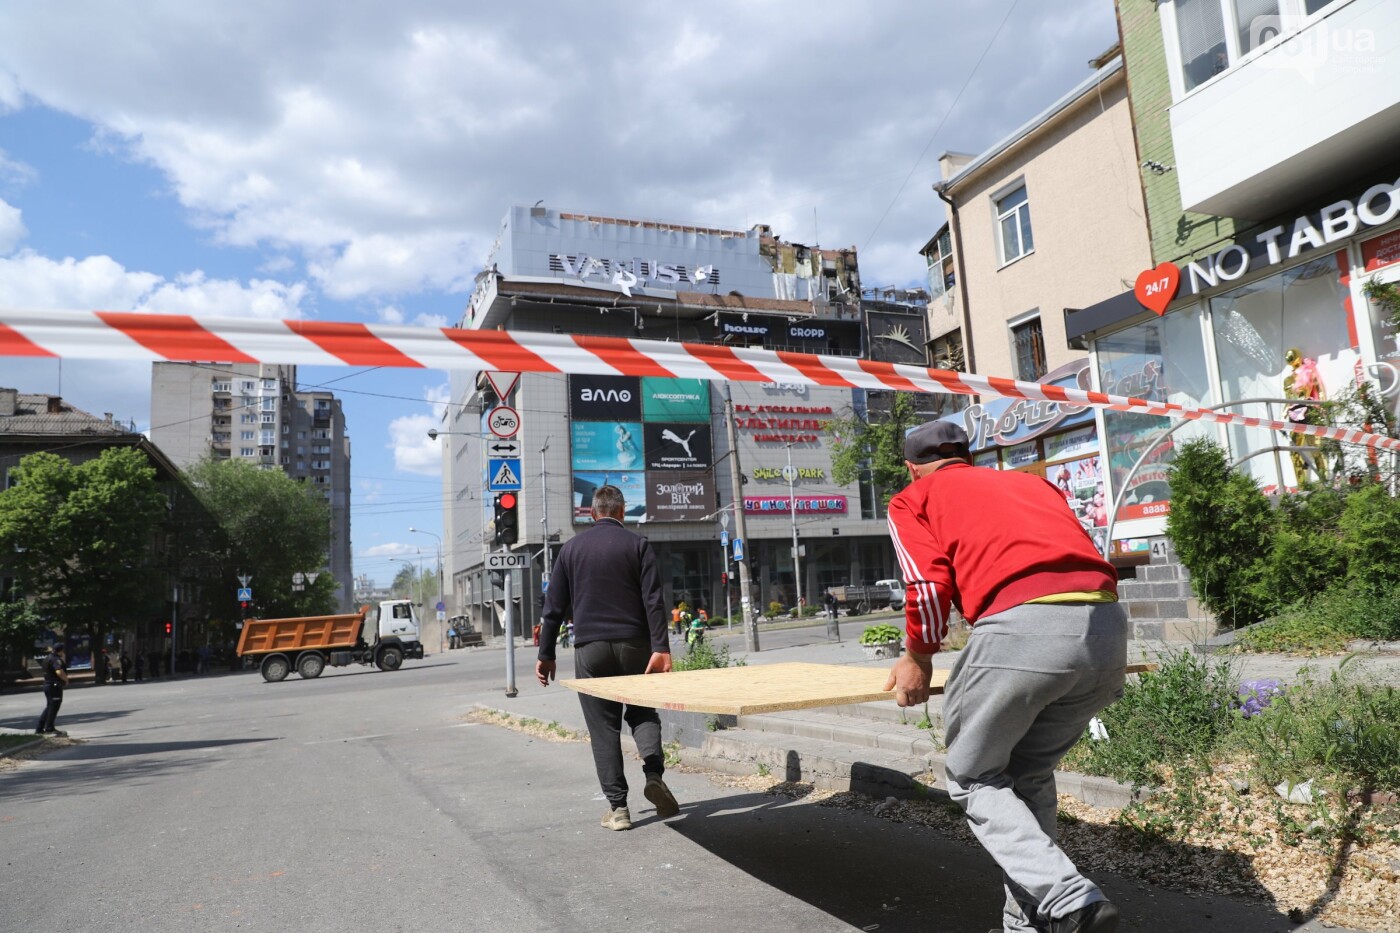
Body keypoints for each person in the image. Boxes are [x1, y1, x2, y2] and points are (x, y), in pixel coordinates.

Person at [884, 420, 1127, 933]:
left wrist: (918, 657)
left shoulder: (913, 498)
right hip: (1106, 629)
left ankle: (1070, 902)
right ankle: (1029, 924)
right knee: (1025, 776)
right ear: (967, 456)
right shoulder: (1030, 483)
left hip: (1022, 628)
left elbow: (927, 589)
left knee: (973, 776)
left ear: (911, 467)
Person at [535, 484, 678, 831]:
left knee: (603, 729)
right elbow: (654, 600)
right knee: (643, 713)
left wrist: (546, 654)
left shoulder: (570, 550)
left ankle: (619, 810)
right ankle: (654, 774)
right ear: (621, 511)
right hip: (635, 645)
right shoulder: (638, 545)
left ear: (592, 512)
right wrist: (660, 647)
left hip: (590, 649)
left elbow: (553, 608)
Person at [34, 643, 69, 736]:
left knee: (50, 706)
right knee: (53, 707)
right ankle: (49, 728)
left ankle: (39, 728)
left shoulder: (48, 658)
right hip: (54, 686)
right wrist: (66, 680)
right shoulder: (55, 659)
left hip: (48, 684)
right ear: (61, 650)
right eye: (63, 650)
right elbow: (59, 671)